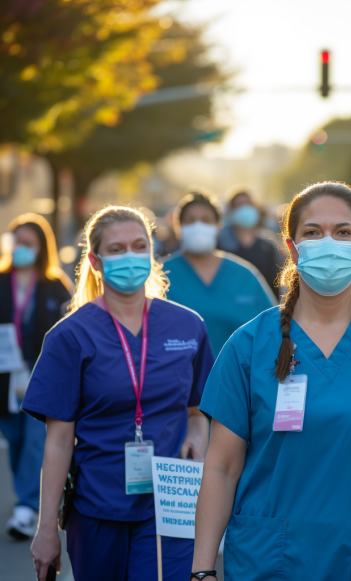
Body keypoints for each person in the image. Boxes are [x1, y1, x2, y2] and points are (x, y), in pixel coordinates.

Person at [190, 181, 351, 581]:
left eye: (343, 232)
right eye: (313, 232)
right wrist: (202, 570)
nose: (329, 242)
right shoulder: (249, 346)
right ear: (292, 248)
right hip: (268, 561)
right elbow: (221, 467)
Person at [22, 206, 214, 581]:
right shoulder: (69, 336)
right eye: (117, 248)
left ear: (152, 252)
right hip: (97, 506)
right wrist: (45, 529)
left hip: (169, 503)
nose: (130, 255)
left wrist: (196, 431)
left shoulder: (188, 326)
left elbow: (198, 410)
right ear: (95, 261)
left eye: (139, 245)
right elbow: (58, 442)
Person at [0, 213, 72, 539]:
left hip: (41, 373)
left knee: (34, 440)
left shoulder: (54, 285)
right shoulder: (1, 281)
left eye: (29, 244)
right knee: (14, 440)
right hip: (6, 374)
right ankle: (25, 500)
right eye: (18, 242)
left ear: (42, 247)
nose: (22, 249)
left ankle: (27, 506)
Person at [165, 190, 277, 355]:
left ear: (219, 225)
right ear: (178, 226)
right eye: (190, 220)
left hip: (238, 378)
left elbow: (273, 330)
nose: (198, 226)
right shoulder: (161, 275)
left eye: (206, 220)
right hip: (179, 378)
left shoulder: (244, 274)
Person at [217, 186, 283, 294]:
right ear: (230, 211)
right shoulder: (220, 244)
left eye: (248, 205)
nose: (245, 209)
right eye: (239, 205)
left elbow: (276, 283)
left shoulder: (268, 246)